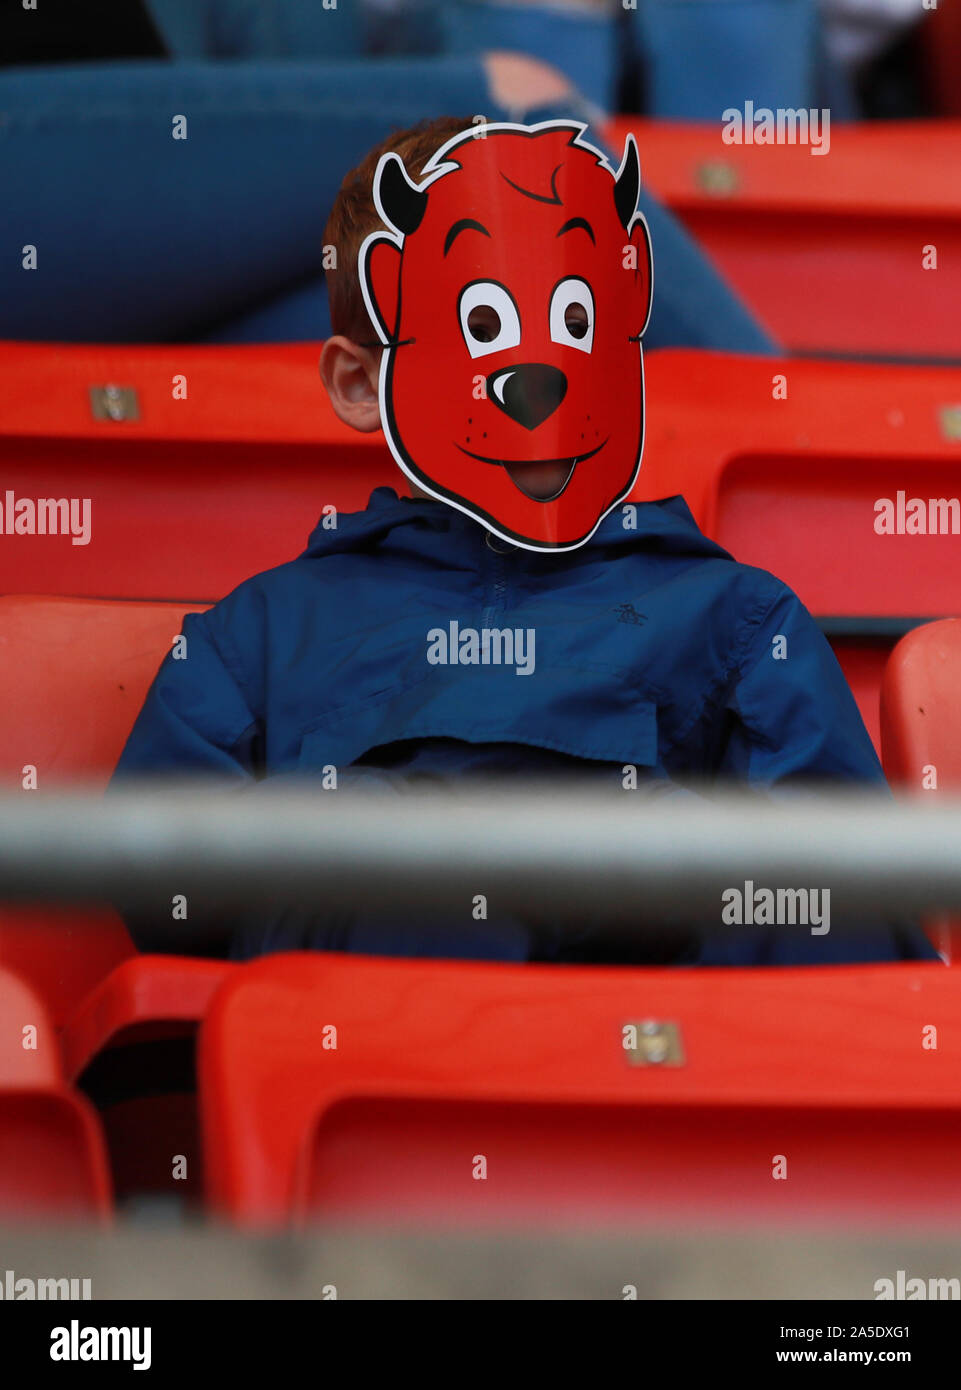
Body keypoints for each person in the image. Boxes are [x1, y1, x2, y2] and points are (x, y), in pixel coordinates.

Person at [111, 115, 936, 969]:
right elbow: (163, 884)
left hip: (661, 1044)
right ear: (361, 383)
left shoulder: (732, 614)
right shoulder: (262, 633)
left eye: (576, 321)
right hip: (384, 1028)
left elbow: (840, 907)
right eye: (482, 324)